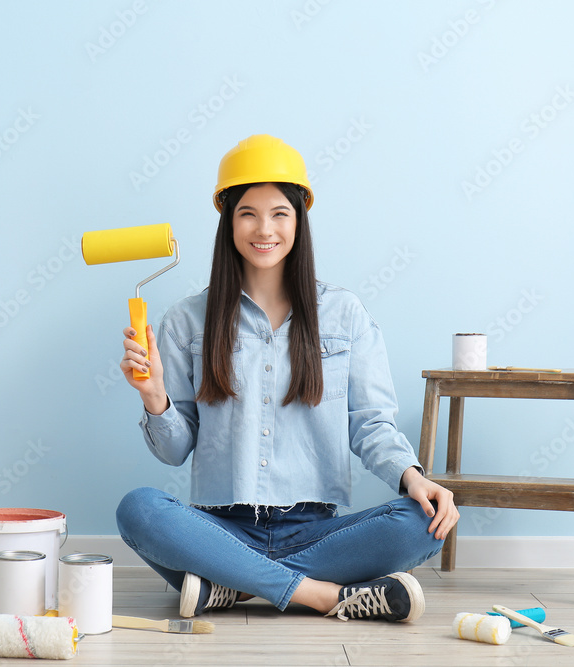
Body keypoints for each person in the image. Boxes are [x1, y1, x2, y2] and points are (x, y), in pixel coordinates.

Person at [115, 134, 459, 622]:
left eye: (280, 213)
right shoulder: (187, 320)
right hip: (220, 530)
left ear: (299, 219)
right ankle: (319, 595)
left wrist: (414, 477)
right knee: (139, 510)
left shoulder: (344, 314)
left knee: (420, 521)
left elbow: (371, 425)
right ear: (228, 221)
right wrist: (153, 396)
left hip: (319, 532)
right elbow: (173, 450)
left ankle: (231, 584)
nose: (264, 229)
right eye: (247, 213)